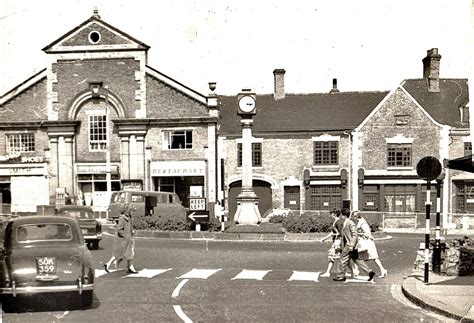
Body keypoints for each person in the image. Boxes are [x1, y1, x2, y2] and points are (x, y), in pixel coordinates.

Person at [333, 208, 376, 282]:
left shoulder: (350, 223)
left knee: (342, 259)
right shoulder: (347, 222)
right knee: (357, 260)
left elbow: (354, 235)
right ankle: (370, 272)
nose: (341, 217)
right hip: (351, 245)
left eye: (341, 215)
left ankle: (341, 276)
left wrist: (351, 245)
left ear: (344, 215)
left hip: (350, 245)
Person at [352, 210, 388, 278]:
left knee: (374, 257)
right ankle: (356, 271)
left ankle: (383, 269)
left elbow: (367, 233)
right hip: (363, 241)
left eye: (354, 216)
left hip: (368, 242)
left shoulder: (363, 223)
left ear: (357, 216)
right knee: (356, 255)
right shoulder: (360, 222)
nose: (353, 218)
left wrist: (358, 233)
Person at [104, 203, 138, 274]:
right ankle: (129, 267)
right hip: (124, 239)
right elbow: (119, 229)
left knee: (128, 253)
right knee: (122, 254)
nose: (131, 212)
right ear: (126, 210)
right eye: (130, 210)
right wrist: (127, 236)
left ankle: (130, 267)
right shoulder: (122, 218)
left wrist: (132, 231)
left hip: (128, 238)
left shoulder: (129, 217)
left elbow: (129, 227)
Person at [319, 209, 342, 277]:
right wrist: (324, 238)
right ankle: (352, 271)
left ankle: (328, 272)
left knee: (332, 257)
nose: (331, 215)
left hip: (337, 242)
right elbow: (334, 232)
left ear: (334, 214)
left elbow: (339, 233)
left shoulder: (337, 222)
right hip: (337, 241)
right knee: (338, 257)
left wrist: (334, 235)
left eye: (331, 213)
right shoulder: (337, 221)